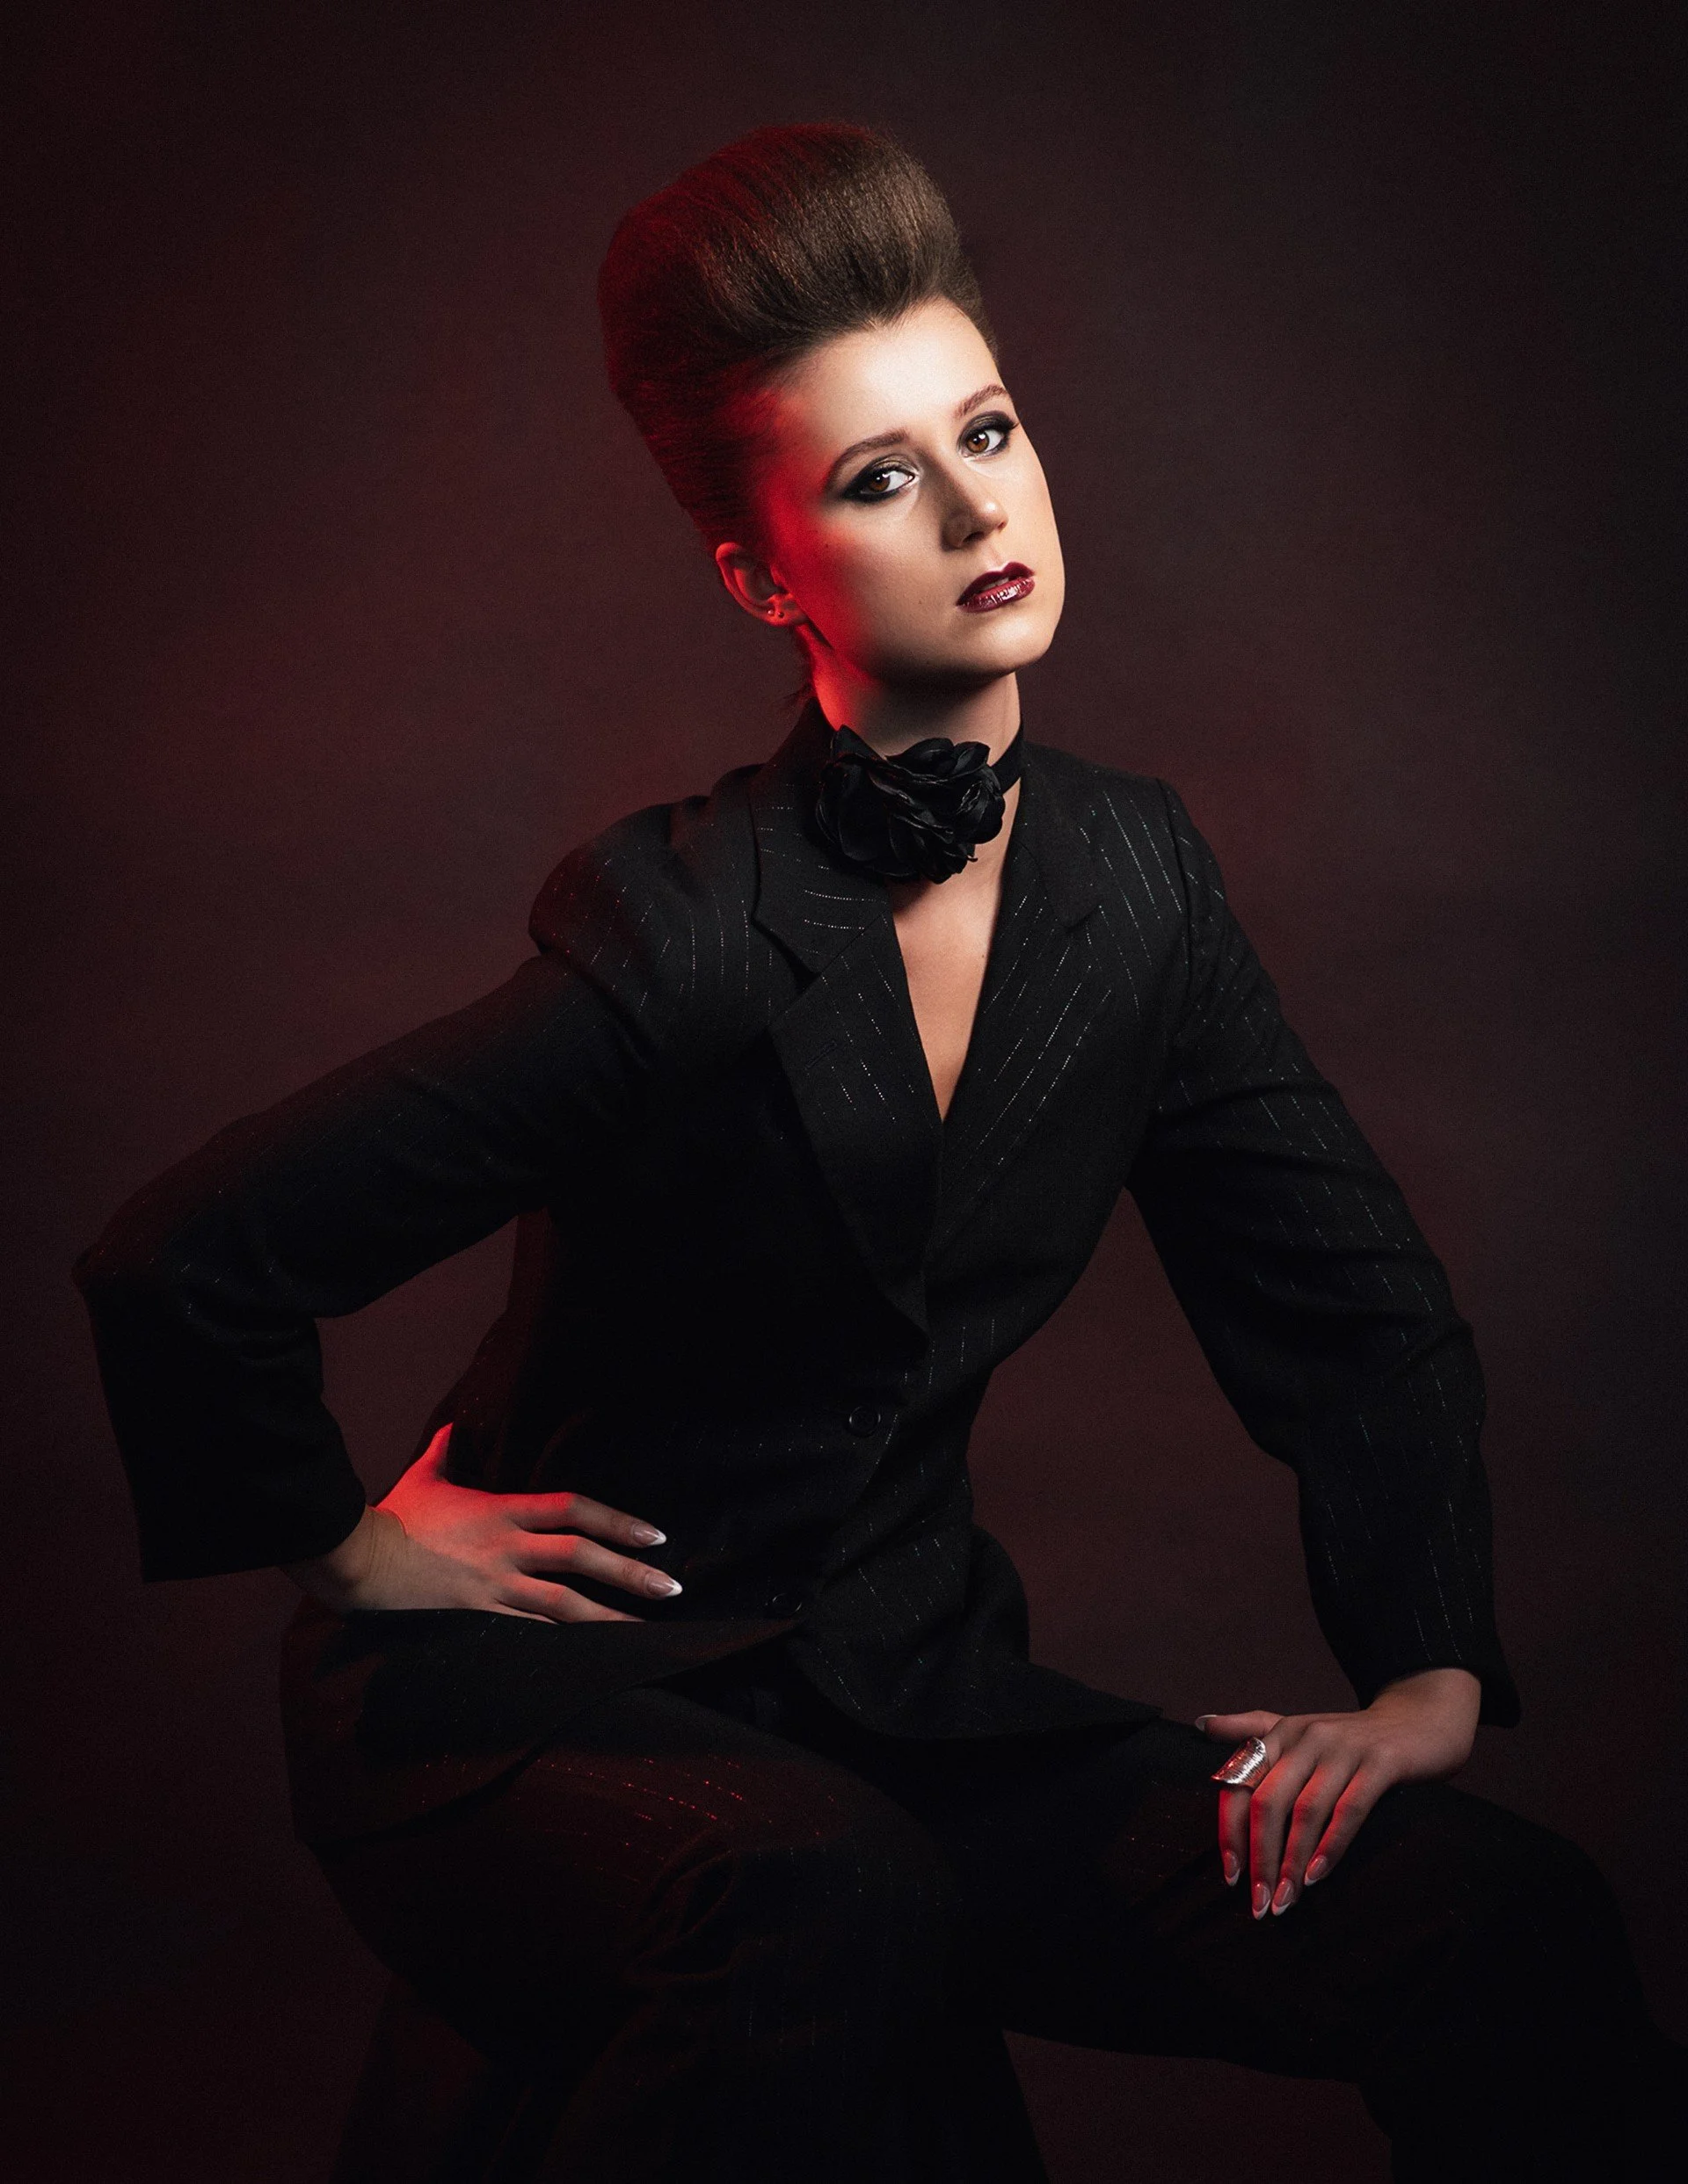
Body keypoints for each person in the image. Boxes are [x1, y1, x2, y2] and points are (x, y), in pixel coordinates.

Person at [75, 123, 1675, 2183]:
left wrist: (1427, 1667)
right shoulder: (681, 928)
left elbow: (1350, 1312)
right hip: (540, 1722)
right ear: (760, 574)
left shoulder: (1138, 881)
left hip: (911, 1703)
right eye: (878, 477)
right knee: (829, 1904)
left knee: (1500, 1925)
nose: (979, 503)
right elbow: (185, 1257)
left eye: (987, 426)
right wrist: (359, 1554)